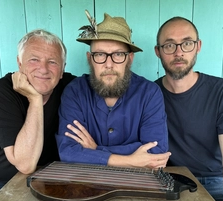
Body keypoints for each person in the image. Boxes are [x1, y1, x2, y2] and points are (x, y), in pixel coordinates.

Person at [56, 12, 171, 169]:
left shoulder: (149, 93)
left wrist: (95, 150)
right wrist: (130, 160)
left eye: (118, 54)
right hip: (87, 185)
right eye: (100, 54)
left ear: (130, 59)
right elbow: (68, 152)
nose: (108, 64)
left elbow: (156, 153)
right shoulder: (75, 92)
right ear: (90, 58)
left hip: (136, 185)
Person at [154, 17, 223, 201]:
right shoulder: (150, 95)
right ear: (158, 52)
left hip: (216, 182)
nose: (179, 52)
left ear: (198, 46)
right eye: (170, 45)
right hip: (171, 181)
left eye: (187, 43)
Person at [0, 29, 76, 200]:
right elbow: (25, 165)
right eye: (34, 60)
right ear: (19, 64)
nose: (43, 69)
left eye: (53, 62)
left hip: (55, 177)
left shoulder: (71, 86)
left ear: (62, 69)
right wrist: (35, 99)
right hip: (5, 181)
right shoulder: (0, 92)